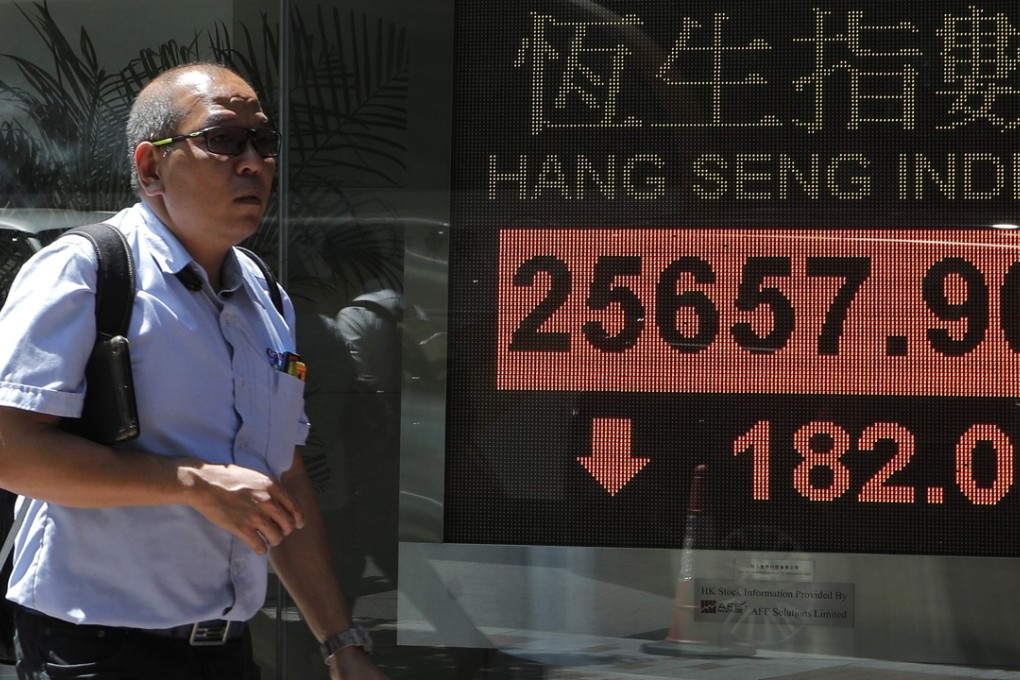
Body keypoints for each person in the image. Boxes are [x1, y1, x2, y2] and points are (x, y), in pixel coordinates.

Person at [0, 62, 388, 680]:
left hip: (225, 650)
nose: (253, 162)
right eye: (223, 140)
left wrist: (341, 642)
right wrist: (191, 483)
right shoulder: (85, 269)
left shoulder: (265, 295)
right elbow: (12, 453)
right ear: (151, 167)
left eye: (264, 142)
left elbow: (282, 479)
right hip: (95, 649)